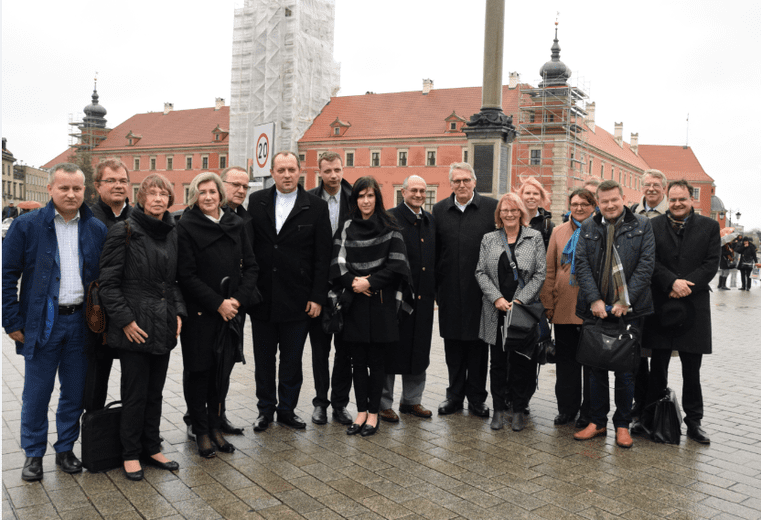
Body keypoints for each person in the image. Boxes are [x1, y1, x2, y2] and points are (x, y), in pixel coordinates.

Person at [2, 163, 107, 481]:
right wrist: (11, 320)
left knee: (74, 393)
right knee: (37, 393)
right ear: (50, 189)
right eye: (64, 188)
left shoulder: (95, 228)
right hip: (42, 323)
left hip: (80, 323)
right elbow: (7, 275)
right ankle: (33, 454)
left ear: (85, 190)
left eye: (77, 188)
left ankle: (65, 449)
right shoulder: (27, 225)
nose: (72, 194)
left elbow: (102, 279)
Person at [99, 174, 185, 480]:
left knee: (155, 393)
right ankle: (130, 453)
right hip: (134, 326)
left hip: (162, 325)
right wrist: (126, 321)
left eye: (164, 194)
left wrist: (178, 313)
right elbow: (107, 286)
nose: (159, 199)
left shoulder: (172, 232)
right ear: (142, 198)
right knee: (135, 393)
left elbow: (174, 282)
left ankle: (152, 446)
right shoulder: (123, 231)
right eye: (153, 194)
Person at [247, 152, 332, 432]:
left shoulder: (316, 207)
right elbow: (249, 249)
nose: (286, 175)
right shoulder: (257, 202)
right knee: (263, 360)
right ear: (272, 172)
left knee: (292, 360)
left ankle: (287, 409)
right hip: (263, 298)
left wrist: (317, 296)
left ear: (300, 172)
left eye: (291, 169)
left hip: (299, 299)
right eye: (281, 169)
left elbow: (322, 257)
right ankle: (264, 410)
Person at [177, 172, 260, 457]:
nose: (209, 197)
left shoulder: (236, 224)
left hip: (231, 313)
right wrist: (218, 303)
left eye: (213, 191)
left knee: (220, 374)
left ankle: (215, 427)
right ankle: (200, 431)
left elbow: (250, 267)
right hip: (201, 314)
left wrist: (237, 300)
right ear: (194, 197)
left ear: (220, 194)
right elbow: (185, 275)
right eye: (202, 192)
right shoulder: (186, 226)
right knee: (199, 373)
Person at [573, 180, 655, 449]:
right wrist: (594, 299)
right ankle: (597, 422)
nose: (609, 205)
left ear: (623, 198)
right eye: (604, 201)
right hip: (594, 309)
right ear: (599, 202)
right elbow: (582, 264)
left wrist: (624, 300)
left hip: (629, 311)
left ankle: (622, 425)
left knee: (626, 372)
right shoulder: (588, 226)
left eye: (614, 200)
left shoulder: (642, 225)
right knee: (594, 369)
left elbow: (646, 265)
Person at [330, 176, 412, 437]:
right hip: (353, 304)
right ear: (355, 200)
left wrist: (369, 283)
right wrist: (353, 282)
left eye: (370, 195)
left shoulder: (390, 226)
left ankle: (374, 414)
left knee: (377, 363)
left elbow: (397, 265)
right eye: (360, 196)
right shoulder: (346, 227)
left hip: (381, 304)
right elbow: (336, 263)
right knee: (357, 362)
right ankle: (361, 411)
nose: (365, 201)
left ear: (377, 197)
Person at [640, 180, 720, 445]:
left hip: (694, 306)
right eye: (673, 199)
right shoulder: (652, 226)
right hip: (662, 304)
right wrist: (670, 282)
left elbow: (711, 264)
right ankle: (649, 417)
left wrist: (685, 285)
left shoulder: (709, 227)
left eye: (682, 199)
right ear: (667, 199)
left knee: (692, 370)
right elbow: (650, 261)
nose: (676, 204)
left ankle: (694, 422)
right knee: (657, 367)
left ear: (691, 200)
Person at [475, 193, 546, 432]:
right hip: (495, 309)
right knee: (497, 363)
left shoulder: (534, 237)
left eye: (514, 210)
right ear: (499, 214)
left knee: (521, 362)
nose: (509, 214)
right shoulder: (489, 238)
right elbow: (481, 272)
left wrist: (519, 301)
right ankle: (498, 409)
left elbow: (540, 274)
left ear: (521, 213)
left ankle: (518, 409)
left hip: (522, 312)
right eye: (504, 210)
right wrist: (496, 297)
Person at [433, 163, 498, 418]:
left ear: (474, 181)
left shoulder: (491, 208)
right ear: (451, 184)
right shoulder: (439, 210)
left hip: (481, 293)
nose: (461, 185)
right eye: (457, 181)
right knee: (453, 348)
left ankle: (477, 398)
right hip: (449, 291)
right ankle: (454, 396)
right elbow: (435, 252)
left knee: (479, 350)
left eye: (466, 180)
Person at [380, 175, 435, 422]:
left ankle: (412, 401)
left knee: (419, 348)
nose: (419, 194)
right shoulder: (390, 218)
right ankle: (383, 403)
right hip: (396, 298)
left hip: (423, 299)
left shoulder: (430, 221)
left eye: (423, 190)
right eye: (414, 190)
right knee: (391, 349)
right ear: (403, 191)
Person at [540, 189, 596, 429]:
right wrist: (547, 305)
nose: (579, 208)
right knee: (566, 365)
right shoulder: (558, 232)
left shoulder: (600, 231)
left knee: (591, 366)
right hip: (563, 307)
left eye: (585, 204)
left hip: (591, 311)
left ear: (593, 206)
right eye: (575, 204)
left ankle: (589, 412)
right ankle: (566, 410)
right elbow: (549, 270)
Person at [308, 152, 354, 426]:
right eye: (328, 171)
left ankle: (340, 403)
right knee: (319, 351)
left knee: (345, 351)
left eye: (337, 170)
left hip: (347, 286)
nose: (334, 176)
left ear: (342, 169)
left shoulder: (354, 198)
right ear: (320, 171)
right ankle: (320, 403)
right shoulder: (310, 200)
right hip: (319, 288)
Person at [84, 158, 134, 414]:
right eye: (111, 180)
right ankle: (94, 437)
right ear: (97, 185)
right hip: (98, 314)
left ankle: (133, 435)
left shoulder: (138, 217)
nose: (118, 185)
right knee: (95, 380)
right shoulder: (86, 218)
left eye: (122, 180)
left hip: (132, 312)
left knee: (134, 381)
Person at [629, 168, 669, 425]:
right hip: (637, 294)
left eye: (656, 184)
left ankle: (654, 406)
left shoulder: (672, 213)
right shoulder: (633, 213)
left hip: (663, 294)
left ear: (664, 187)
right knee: (636, 355)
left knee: (661, 356)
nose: (651, 188)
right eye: (647, 184)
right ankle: (638, 403)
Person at [517, 177, 554, 250]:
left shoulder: (547, 226)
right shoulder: (512, 220)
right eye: (527, 193)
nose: (531, 197)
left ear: (541, 197)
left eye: (535, 194)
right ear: (521, 196)